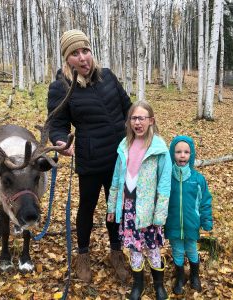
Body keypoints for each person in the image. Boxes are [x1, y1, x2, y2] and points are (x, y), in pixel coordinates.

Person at [47, 29, 132, 283]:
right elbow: (57, 123)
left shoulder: (108, 76)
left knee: (115, 207)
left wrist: (141, 128)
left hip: (120, 157)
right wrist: (60, 141)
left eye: (85, 51)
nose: (83, 58)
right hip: (91, 158)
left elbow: (127, 108)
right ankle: (82, 255)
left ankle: (116, 253)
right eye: (75, 53)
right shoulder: (61, 87)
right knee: (87, 207)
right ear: (67, 58)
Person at [107, 101, 172, 300]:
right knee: (134, 248)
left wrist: (160, 213)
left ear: (151, 120)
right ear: (129, 122)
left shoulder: (159, 148)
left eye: (141, 118)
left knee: (152, 247)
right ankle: (138, 284)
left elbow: (164, 184)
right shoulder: (124, 146)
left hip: (149, 210)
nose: (137, 123)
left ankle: (159, 285)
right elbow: (117, 179)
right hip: (128, 207)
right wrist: (112, 206)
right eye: (133, 118)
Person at [164, 135, 213, 295]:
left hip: (192, 223)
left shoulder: (197, 179)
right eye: (178, 152)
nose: (182, 155)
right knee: (177, 250)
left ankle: (194, 276)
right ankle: (180, 277)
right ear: (172, 154)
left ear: (191, 155)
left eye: (186, 152)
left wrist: (206, 220)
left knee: (192, 249)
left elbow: (204, 200)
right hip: (173, 224)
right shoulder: (167, 178)